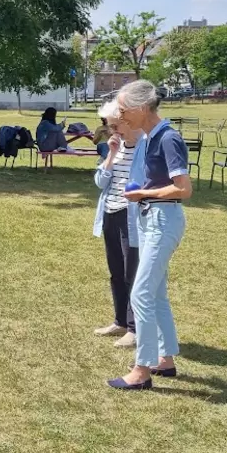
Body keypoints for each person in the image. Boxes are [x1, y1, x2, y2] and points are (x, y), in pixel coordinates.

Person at [106, 80, 191, 391]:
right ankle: (165, 360)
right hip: (151, 217)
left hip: (162, 220)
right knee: (155, 294)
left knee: (141, 293)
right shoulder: (150, 137)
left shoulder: (168, 138)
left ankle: (141, 370)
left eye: (124, 110)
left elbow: (184, 189)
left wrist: (144, 192)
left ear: (142, 109)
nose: (121, 116)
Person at [92, 101, 140, 348]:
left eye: (115, 125)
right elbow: (100, 181)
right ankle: (120, 321)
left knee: (132, 273)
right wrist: (110, 155)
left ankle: (134, 328)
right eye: (110, 127)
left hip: (131, 216)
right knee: (116, 272)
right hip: (109, 213)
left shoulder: (142, 146)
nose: (113, 131)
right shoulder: (116, 146)